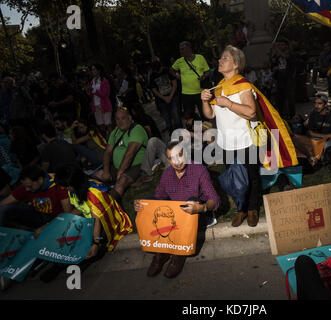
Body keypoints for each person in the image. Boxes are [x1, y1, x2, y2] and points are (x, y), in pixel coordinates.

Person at [200, 45, 299, 227]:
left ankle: (253, 208)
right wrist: (205, 101)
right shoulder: (219, 86)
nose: (220, 61)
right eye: (221, 59)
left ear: (236, 64)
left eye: (225, 58)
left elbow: (251, 112)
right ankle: (241, 209)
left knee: (251, 176)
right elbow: (210, 115)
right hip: (226, 142)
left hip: (246, 141)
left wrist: (228, 103)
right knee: (235, 177)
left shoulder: (243, 85)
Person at [134, 141, 220, 278]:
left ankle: (178, 254)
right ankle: (160, 254)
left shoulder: (199, 170)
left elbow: (214, 200)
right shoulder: (167, 173)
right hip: (175, 218)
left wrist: (202, 208)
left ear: (185, 154)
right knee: (150, 203)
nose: (177, 161)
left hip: (196, 214)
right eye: (172, 158)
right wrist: (142, 204)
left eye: (179, 156)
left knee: (191, 199)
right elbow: (158, 199)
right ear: (168, 160)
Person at [94, 107, 148, 200]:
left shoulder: (136, 129)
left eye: (123, 118)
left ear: (129, 118)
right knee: (97, 175)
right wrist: (106, 172)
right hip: (117, 167)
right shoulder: (115, 132)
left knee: (121, 181)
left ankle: (111, 206)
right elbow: (107, 153)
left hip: (135, 166)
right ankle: (92, 200)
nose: (120, 121)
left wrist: (120, 172)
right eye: (117, 119)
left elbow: (130, 153)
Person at [0, 165, 71, 233]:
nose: (27, 189)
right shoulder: (27, 186)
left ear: (40, 180)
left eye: (29, 186)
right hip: (39, 214)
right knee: (5, 209)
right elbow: (6, 201)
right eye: (25, 187)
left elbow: (67, 214)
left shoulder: (58, 185)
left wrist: (46, 226)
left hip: (57, 217)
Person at [172, 41, 210, 120]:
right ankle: (198, 131)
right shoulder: (179, 61)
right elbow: (171, 70)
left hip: (201, 92)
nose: (181, 51)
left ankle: (208, 131)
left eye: (183, 49)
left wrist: (204, 76)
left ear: (189, 48)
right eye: (180, 49)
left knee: (204, 114)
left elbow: (207, 71)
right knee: (192, 117)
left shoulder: (200, 57)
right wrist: (178, 76)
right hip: (187, 94)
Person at [150, 58, 181, 134]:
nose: (159, 71)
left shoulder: (167, 71)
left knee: (176, 114)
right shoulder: (152, 75)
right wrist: (164, 98)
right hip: (161, 100)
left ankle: (181, 133)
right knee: (167, 118)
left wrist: (170, 96)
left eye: (160, 69)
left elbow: (174, 83)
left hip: (173, 96)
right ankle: (172, 135)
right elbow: (154, 90)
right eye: (157, 71)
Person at [306, 94, 331, 160]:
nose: (316, 106)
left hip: (328, 141)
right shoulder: (313, 113)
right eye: (315, 103)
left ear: (325, 105)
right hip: (316, 139)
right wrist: (324, 136)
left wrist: (325, 137)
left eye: (319, 103)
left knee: (327, 146)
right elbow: (309, 132)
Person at [87, 64, 113, 137]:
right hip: (96, 106)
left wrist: (94, 90)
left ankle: (113, 141)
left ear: (99, 70)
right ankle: (105, 140)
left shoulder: (104, 80)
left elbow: (105, 94)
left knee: (108, 124)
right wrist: (88, 91)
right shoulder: (92, 81)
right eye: (92, 70)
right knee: (100, 124)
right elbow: (91, 95)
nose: (92, 71)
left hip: (104, 105)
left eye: (94, 69)